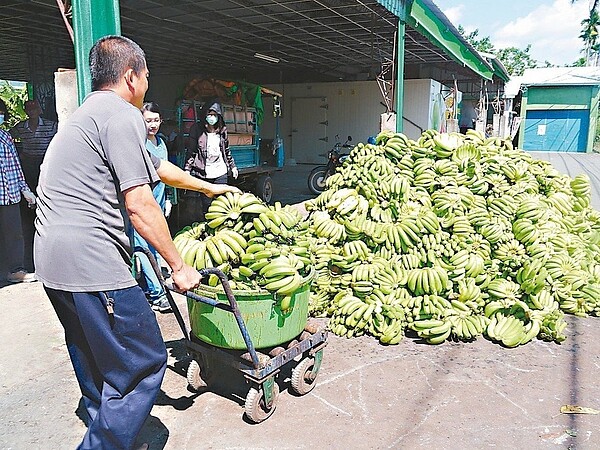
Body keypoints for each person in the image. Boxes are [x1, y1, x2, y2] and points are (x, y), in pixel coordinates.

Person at [34, 35, 240, 450]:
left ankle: (111, 432)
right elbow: (140, 204)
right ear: (131, 76)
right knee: (144, 362)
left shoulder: (87, 116)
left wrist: (208, 188)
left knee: (94, 359)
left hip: (51, 262)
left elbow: (157, 166)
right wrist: (179, 266)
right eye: (146, 76)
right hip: (92, 259)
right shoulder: (123, 115)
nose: (148, 83)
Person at [132, 101, 172, 313]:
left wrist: (168, 199)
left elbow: (166, 173)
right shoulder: (138, 144)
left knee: (155, 246)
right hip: (143, 204)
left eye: (156, 120)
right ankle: (157, 294)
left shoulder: (161, 143)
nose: (153, 125)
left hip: (158, 202)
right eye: (148, 121)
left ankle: (152, 287)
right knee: (144, 248)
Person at [10, 99, 58, 272]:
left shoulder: (51, 126)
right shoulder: (20, 127)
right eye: (28, 110)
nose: (31, 112)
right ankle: (33, 214)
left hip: (46, 163)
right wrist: (20, 154)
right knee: (30, 193)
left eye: (34, 109)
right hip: (29, 165)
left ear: (39, 110)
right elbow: (8, 138)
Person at [183, 99, 238, 225]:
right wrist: (187, 169)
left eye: (214, 115)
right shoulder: (197, 129)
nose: (211, 117)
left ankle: (223, 227)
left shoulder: (222, 129)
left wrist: (233, 166)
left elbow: (226, 150)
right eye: (209, 114)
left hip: (220, 171)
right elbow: (191, 151)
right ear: (204, 115)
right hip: (203, 173)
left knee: (221, 202)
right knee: (207, 204)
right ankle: (209, 226)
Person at [0, 99, 37, 283]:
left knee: (15, 234)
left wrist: (25, 190)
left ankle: (15, 270)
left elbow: (16, 166)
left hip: (10, 195)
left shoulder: (5, 137)